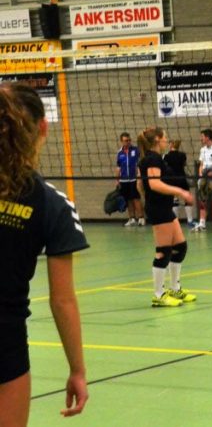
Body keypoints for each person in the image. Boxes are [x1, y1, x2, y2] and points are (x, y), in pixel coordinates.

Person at [0, 82, 89, 424]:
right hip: (5, 346)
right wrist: (77, 370)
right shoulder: (53, 205)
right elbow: (62, 300)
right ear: (43, 128)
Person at [137, 127, 197, 308]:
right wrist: (180, 192)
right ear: (157, 139)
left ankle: (174, 289)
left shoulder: (152, 158)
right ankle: (158, 295)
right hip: (158, 209)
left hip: (163, 207)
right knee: (163, 251)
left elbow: (140, 184)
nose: (167, 140)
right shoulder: (152, 159)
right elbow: (154, 184)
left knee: (180, 247)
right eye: (165, 137)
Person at [164, 139, 197, 229]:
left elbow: (165, 167)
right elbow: (184, 164)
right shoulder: (182, 155)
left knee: (175, 199)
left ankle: (175, 222)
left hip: (172, 179)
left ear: (171, 145)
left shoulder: (166, 156)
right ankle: (190, 221)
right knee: (187, 198)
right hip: (182, 178)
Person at [115, 132, 145, 226]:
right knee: (128, 200)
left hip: (134, 179)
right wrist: (117, 180)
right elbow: (118, 167)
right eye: (125, 140)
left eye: (129, 140)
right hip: (123, 180)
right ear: (121, 141)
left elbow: (140, 164)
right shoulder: (119, 153)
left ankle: (141, 218)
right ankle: (132, 218)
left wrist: (139, 176)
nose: (128, 142)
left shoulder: (136, 150)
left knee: (136, 198)